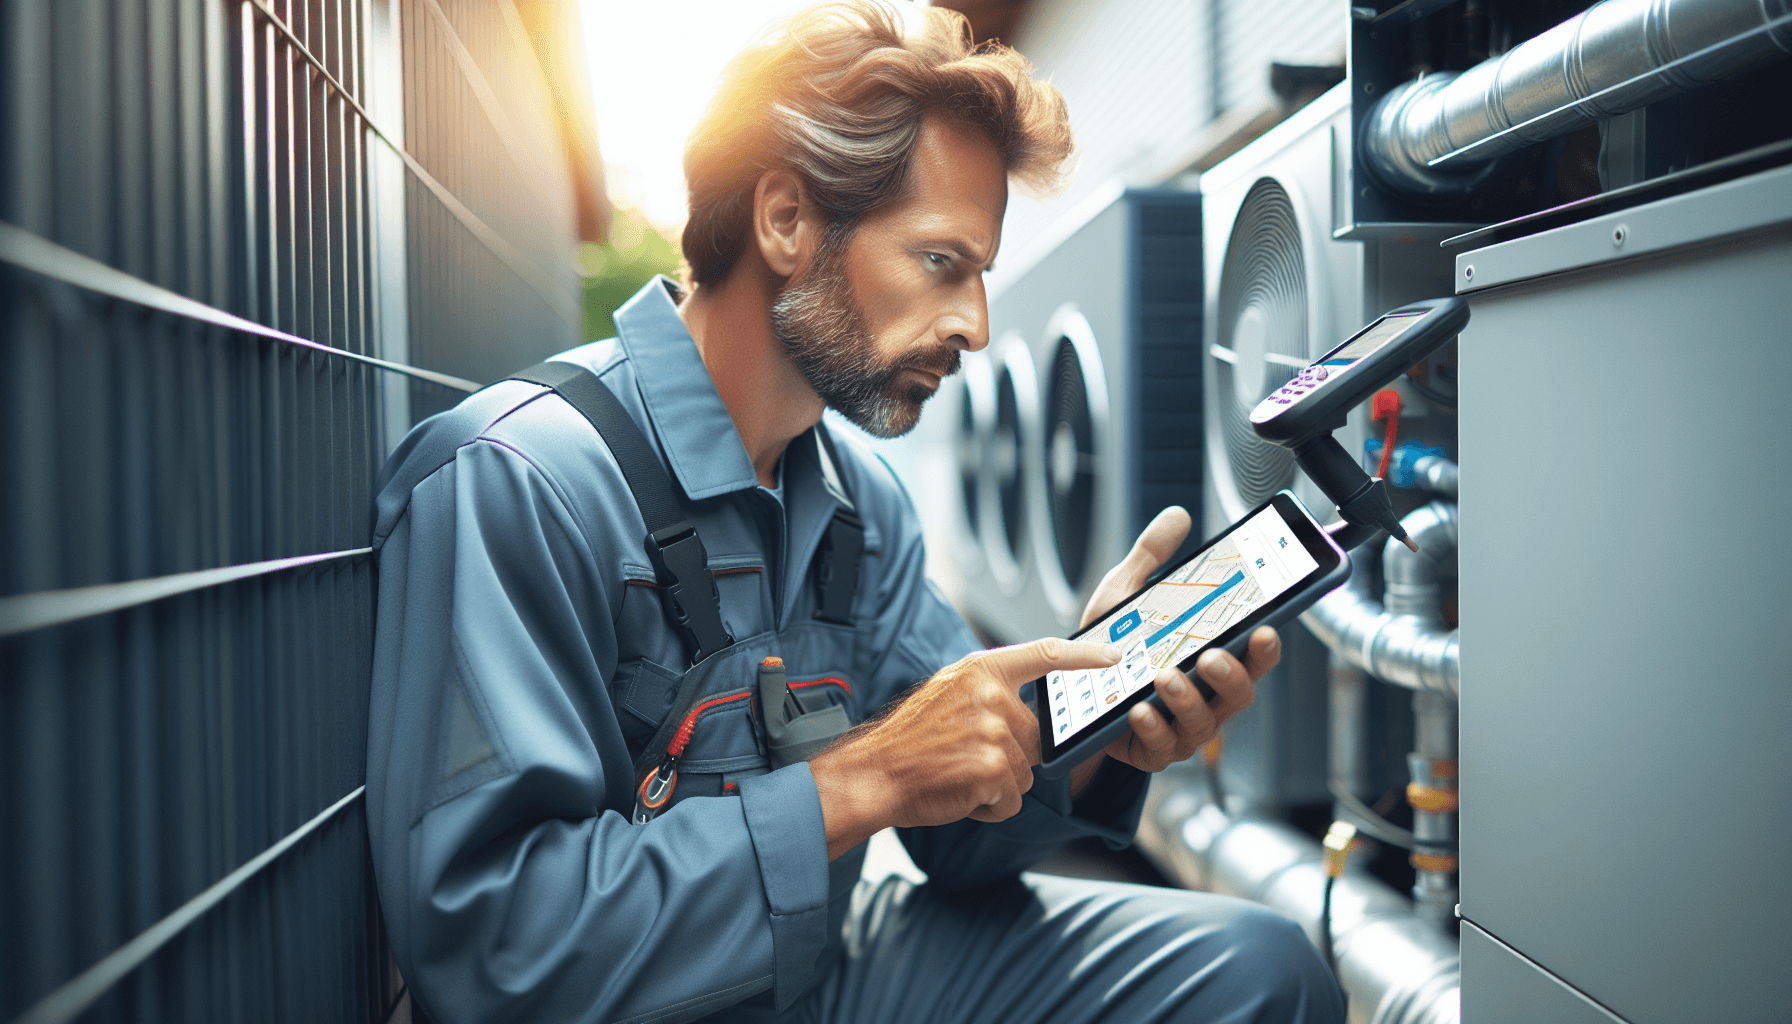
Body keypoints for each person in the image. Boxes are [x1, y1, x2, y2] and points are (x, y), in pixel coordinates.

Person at [365, 4, 1345, 1022]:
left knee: (1260, 969)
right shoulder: (517, 478)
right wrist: (861, 777)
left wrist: (1088, 725)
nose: (974, 324)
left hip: (817, 975)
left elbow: (962, 844)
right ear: (786, 220)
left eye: (980, 274)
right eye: (939, 262)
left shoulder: (854, 506)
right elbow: (494, 949)